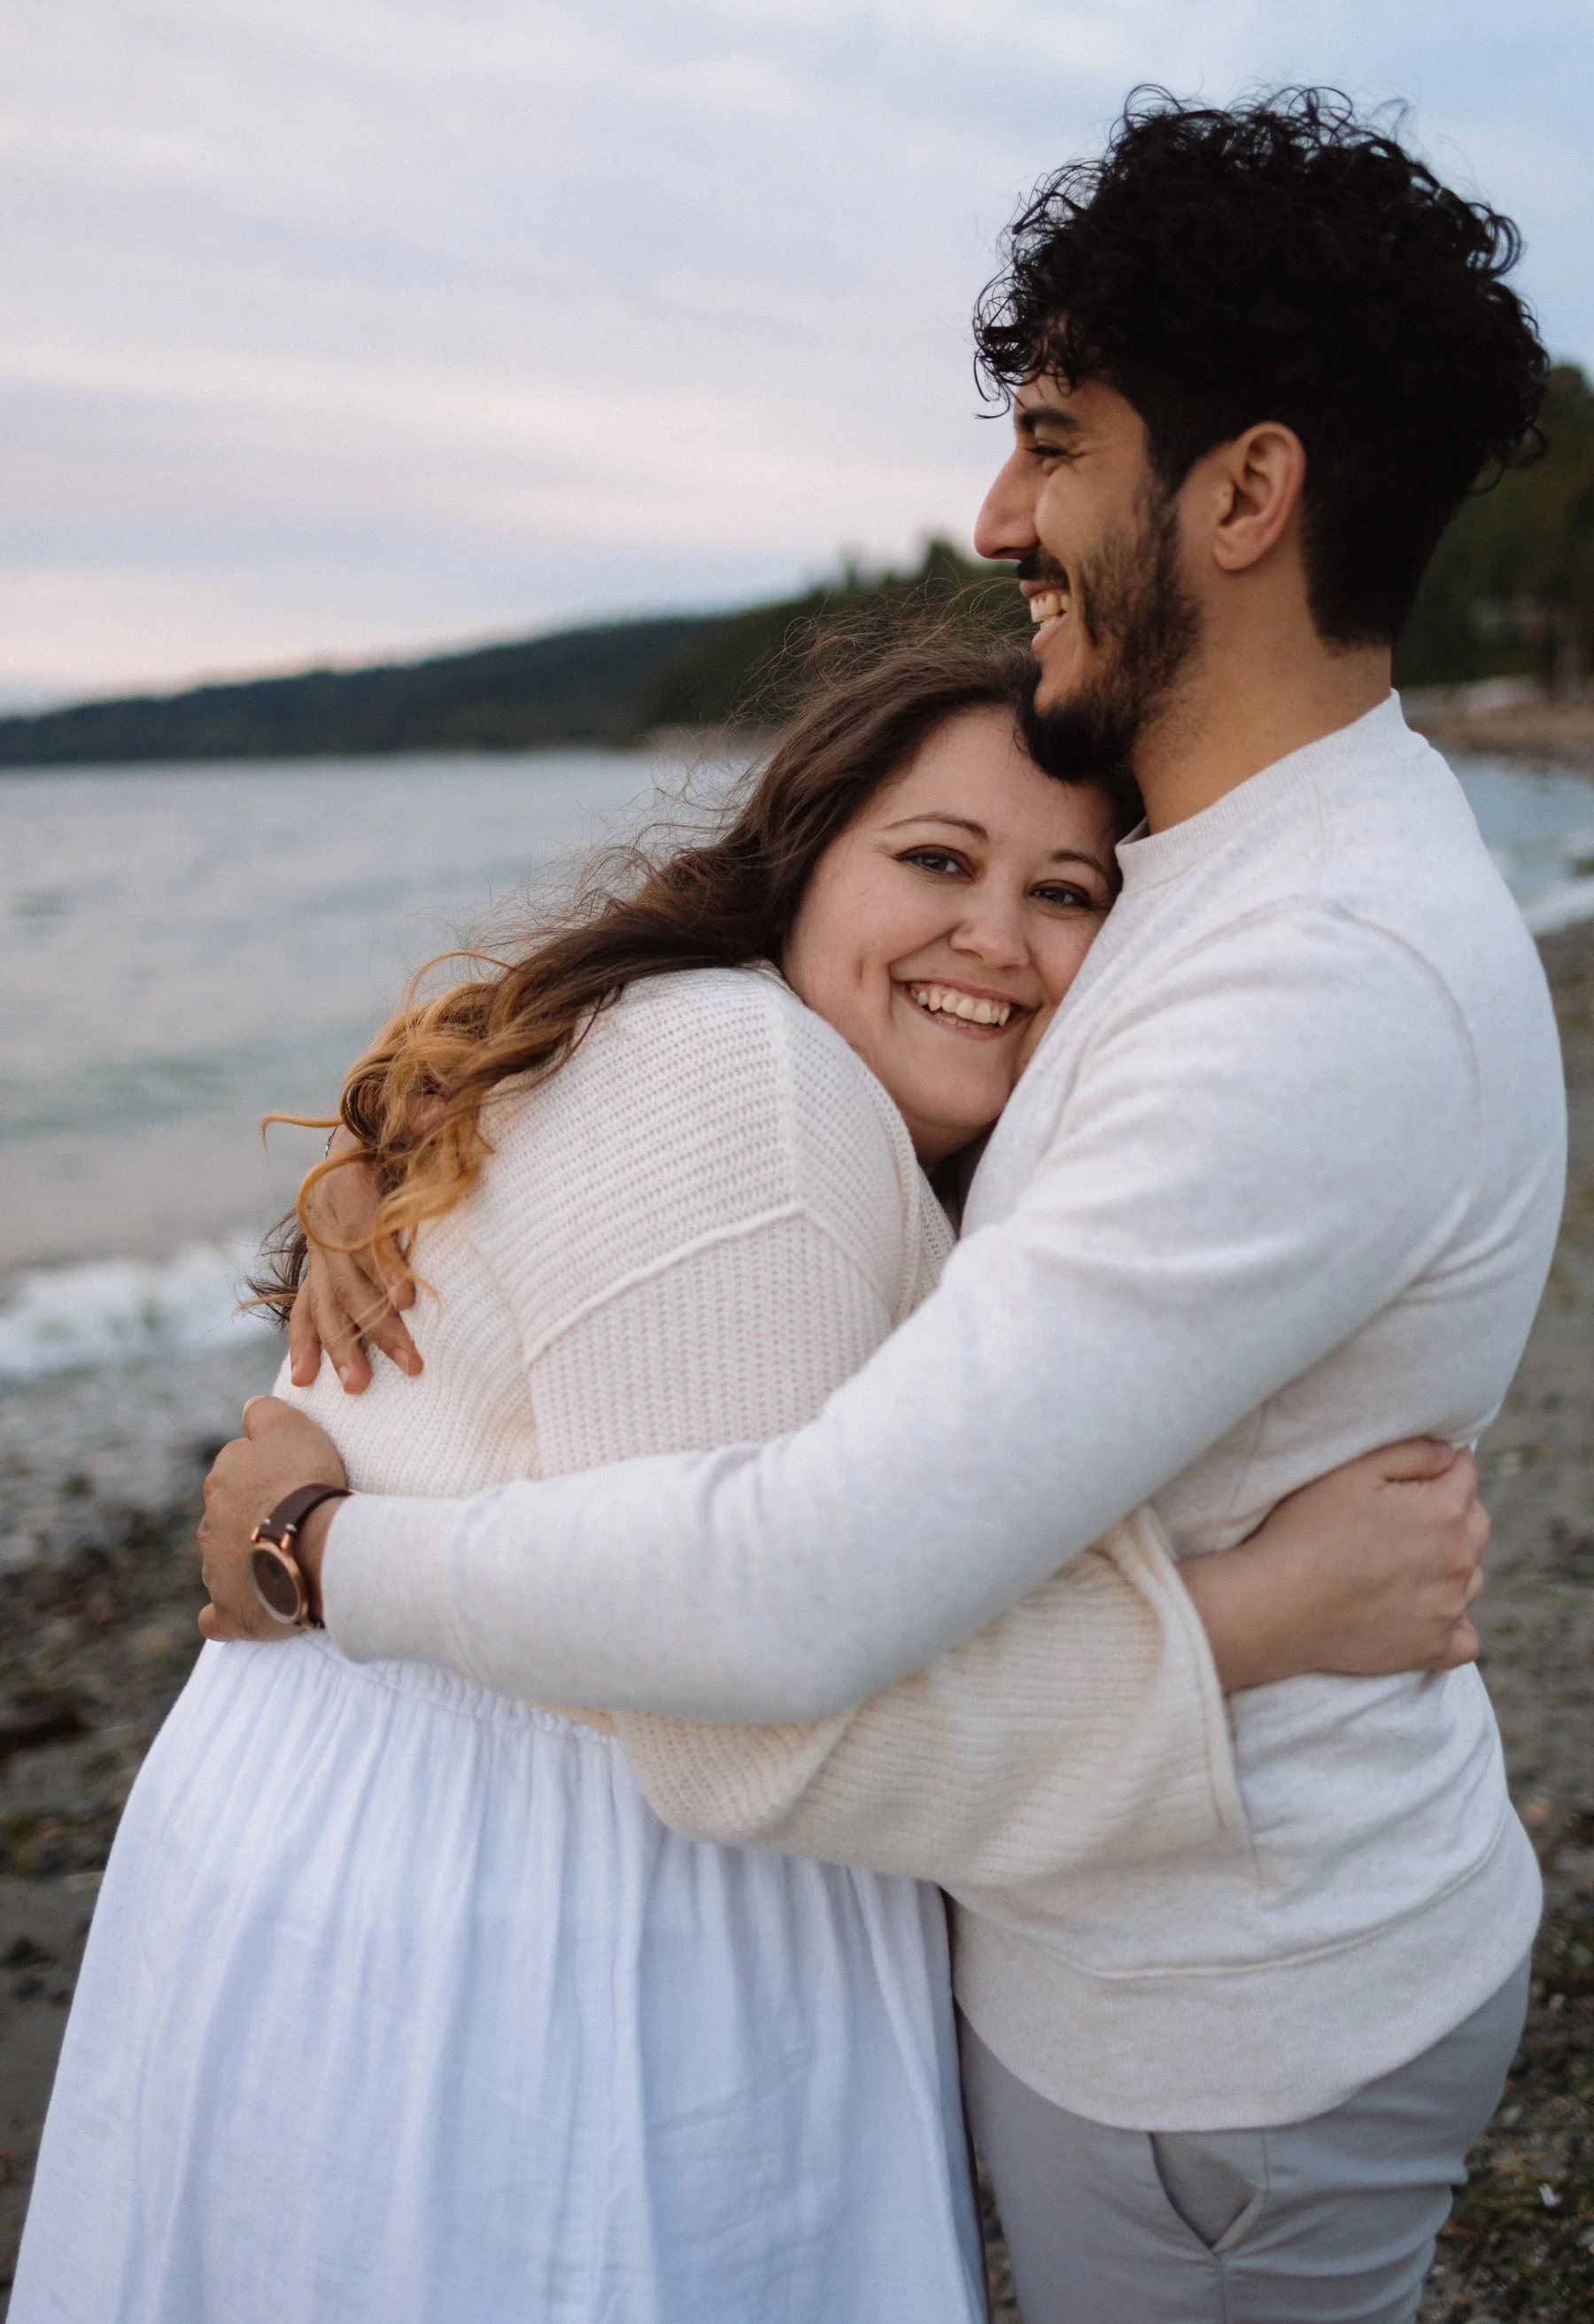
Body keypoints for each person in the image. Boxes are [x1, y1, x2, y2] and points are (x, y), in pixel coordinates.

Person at [195, 91, 1567, 2322]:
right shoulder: (1228, 888)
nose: (997, 511)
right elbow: (800, 1116)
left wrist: (321, 1547)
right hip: (1165, 1948)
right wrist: (423, 1165)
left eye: (1053, 439)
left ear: (1243, 490)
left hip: (1226, 2010)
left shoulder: (1307, 984)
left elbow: (784, 1608)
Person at [15, 629, 1484, 2324]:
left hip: (416, 1822)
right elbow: (750, 1698)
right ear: (798, 868)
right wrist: (1260, 1619)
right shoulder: (758, 1085)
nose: (994, 940)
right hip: (546, 1899)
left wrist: (353, 1206)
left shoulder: (791, 1088)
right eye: (934, 860)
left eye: (1069, 894)